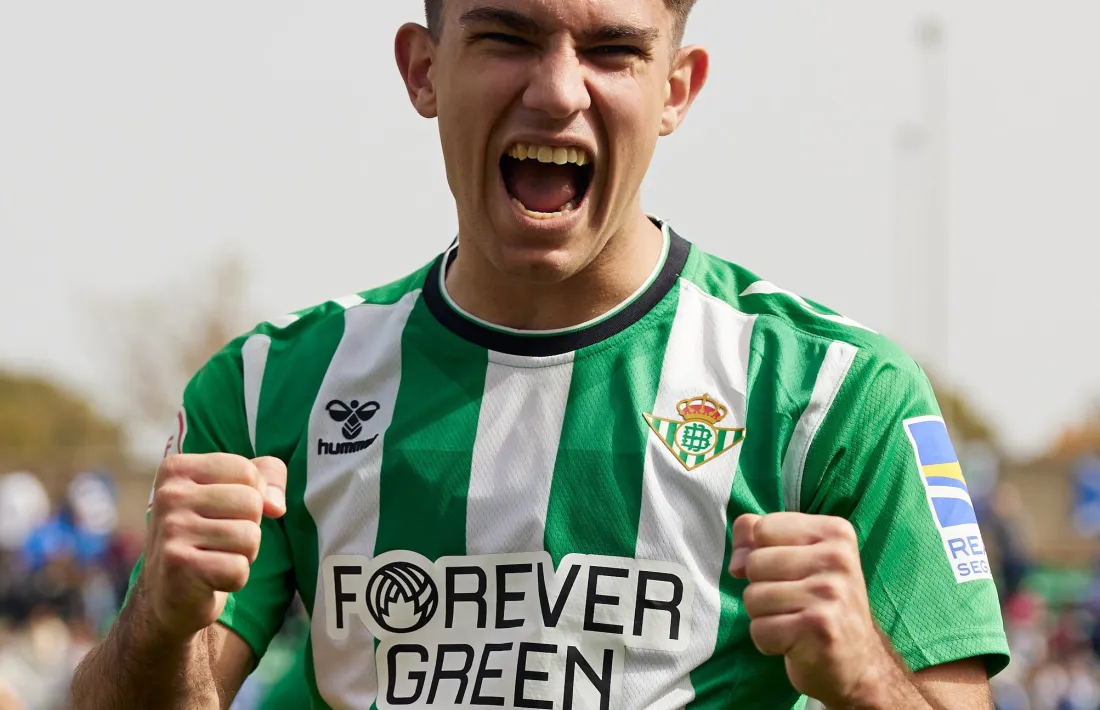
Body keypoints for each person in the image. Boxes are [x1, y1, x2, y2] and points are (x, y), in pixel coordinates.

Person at [71, 1, 1010, 708]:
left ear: (676, 89)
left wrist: (864, 676)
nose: (559, 90)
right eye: (510, 37)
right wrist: (161, 617)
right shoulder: (272, 386)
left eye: (611, 50)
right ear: (423, 68)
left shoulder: (836, 395)